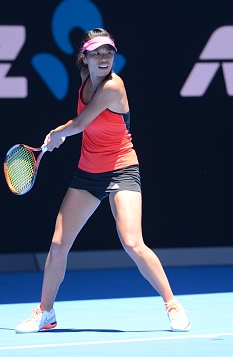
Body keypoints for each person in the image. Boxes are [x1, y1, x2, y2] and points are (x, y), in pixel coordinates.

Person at [15, 28, 190, 333]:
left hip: (122, 168)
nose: (104, 58)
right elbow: (84, 127)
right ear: (84, 57)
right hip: (88, 172)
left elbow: (82, 123)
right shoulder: (86, 80)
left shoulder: (114, 86)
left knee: (133, 242)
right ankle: (46, 313)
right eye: (96, 52)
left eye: (109, 52)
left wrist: (58, 133)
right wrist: (61, 135)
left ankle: (173, 305)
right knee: (58, 245)